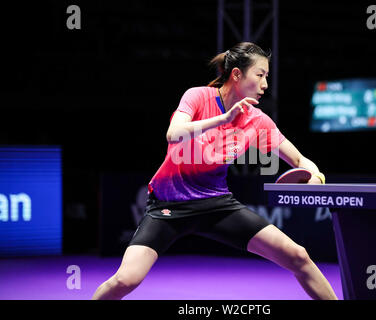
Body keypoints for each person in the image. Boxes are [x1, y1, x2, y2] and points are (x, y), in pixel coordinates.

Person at [92, 42, 338, 300]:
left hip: (216, 205)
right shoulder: (198, 96)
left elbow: (300, 159)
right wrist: (223, 119)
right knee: (126, 279)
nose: (266, 84)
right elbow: (173, 134)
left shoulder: (257, 120)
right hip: (169, 206)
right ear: (237, 75)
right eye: (260, 74)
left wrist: (315, 175)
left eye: (267, 76)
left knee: (298, 256)